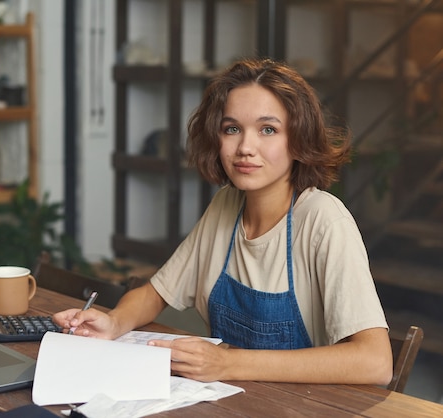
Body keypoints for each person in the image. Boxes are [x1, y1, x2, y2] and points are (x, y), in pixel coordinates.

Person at [53, 57, 393, 385]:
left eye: (268, 129)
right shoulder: (226, 206)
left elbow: (375, 362)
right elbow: (155, 294)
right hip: (231, 399)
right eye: (232, 129)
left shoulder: (323, 220)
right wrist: (112, 323)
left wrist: (228, 363)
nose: (245, 147)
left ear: (298, 139)